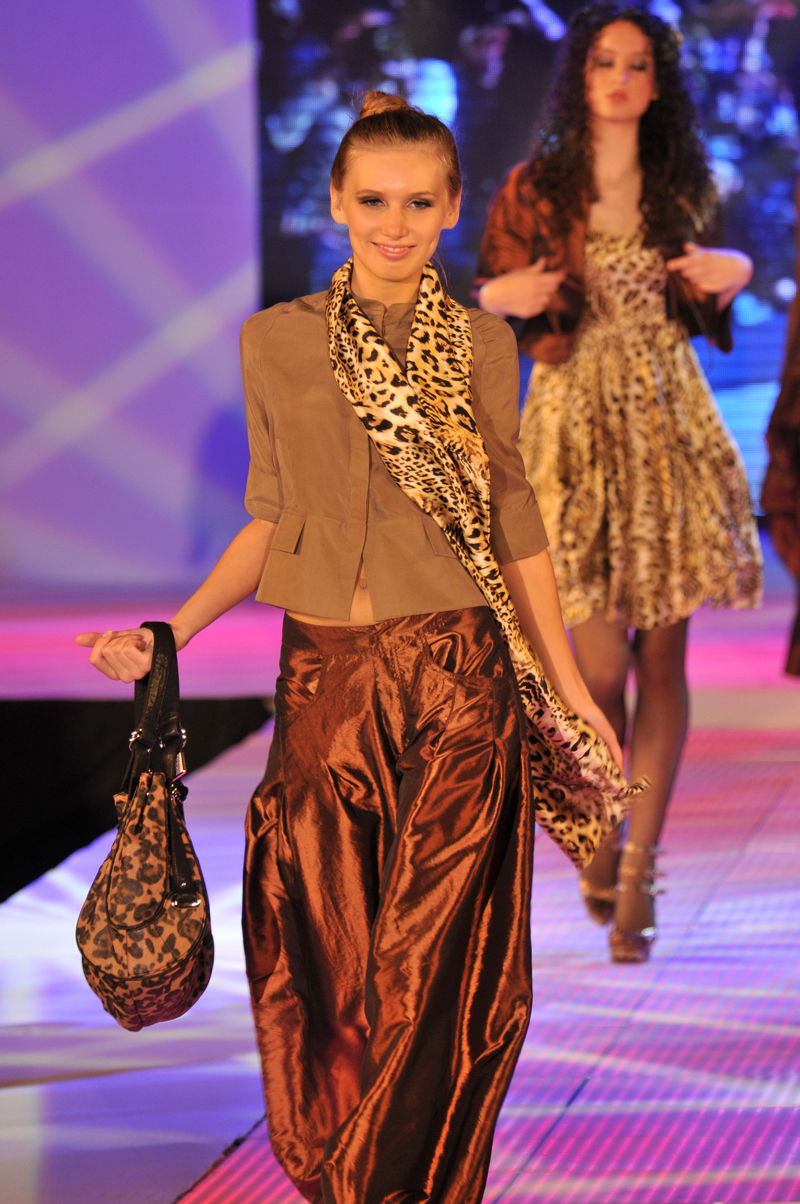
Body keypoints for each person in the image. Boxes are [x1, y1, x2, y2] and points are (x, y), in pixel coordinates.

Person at [77, 93, 629, 1204]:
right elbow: (269, 519)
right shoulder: (274, 342)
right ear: (335, 202)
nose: (394, 224)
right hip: (326, 683)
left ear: (453, 207)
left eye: (419, 202)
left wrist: (570, 693)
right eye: (373, 200)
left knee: (438, 967)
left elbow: (512, 520)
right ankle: (353, 1179)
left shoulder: (479, 342)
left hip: (459, 678)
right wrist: (168, 634)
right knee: (320, 965)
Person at [475, 4, 762, 964]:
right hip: (571, 427)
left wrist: (737, 266)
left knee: (663, 661)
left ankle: (640, 864)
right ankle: (604, 826)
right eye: (606, 61)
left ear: (658, 81)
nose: (622, 78)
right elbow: (490, 286)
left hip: (665, 426)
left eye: (639, 64)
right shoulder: (536, 185)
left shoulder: (687, 183)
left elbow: (733, 273)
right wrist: (497, 297)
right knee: (596, 670)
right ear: (580, 75)